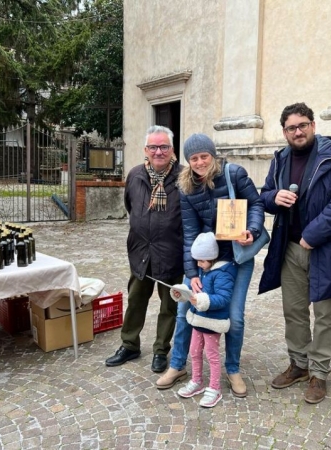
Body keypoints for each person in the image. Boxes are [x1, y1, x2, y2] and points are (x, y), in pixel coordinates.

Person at [259, 102, 331, 404]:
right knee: (295, 311)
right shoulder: (280, 158)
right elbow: (263, 196)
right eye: (291, 127)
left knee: (326, 315)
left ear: (313, 125)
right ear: (285, 132)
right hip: (289, 248)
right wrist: (275, 197)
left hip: (327, 250)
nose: (297, 131)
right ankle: (299, 365)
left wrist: (313, 235)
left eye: (302, 125)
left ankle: (319, 373)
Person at [156, 133, 265, 397]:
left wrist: (252, 228)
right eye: (194, 158)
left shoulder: (234, 174)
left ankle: (233, 368)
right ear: (188, 161)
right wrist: (192, 272)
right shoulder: (186, 187)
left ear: (212, 155)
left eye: (204, 156)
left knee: (235, 318)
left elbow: (256, 204)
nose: (200, 162)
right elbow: (190, 232)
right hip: (205, 260)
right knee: (184, 312)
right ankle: (178, 365)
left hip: (237, 257)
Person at [105, 125, 184, 374]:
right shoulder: (136, 175)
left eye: (163, 147)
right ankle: (129, 344)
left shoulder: (184, 177)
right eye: (153, 147)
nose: (158, 151)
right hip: (141, 251)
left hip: (171, 252)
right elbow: (131, 207)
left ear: (172, 150)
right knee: (135, 299)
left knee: (168, 305)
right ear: (145, 150)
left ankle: (161, 350)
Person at [172, 232, 237, 408]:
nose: (198, 264)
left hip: (212, 322)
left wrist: (200, 300)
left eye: (202, 260)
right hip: (197, 320)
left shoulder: (223, 273)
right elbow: (193, 290)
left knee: (212, 355)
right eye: (197, 260)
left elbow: (223, 298)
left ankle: (215, 388)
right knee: (194, 351)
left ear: (212, 257)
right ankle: (197, 380)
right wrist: (183, 293)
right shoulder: (202, 269)